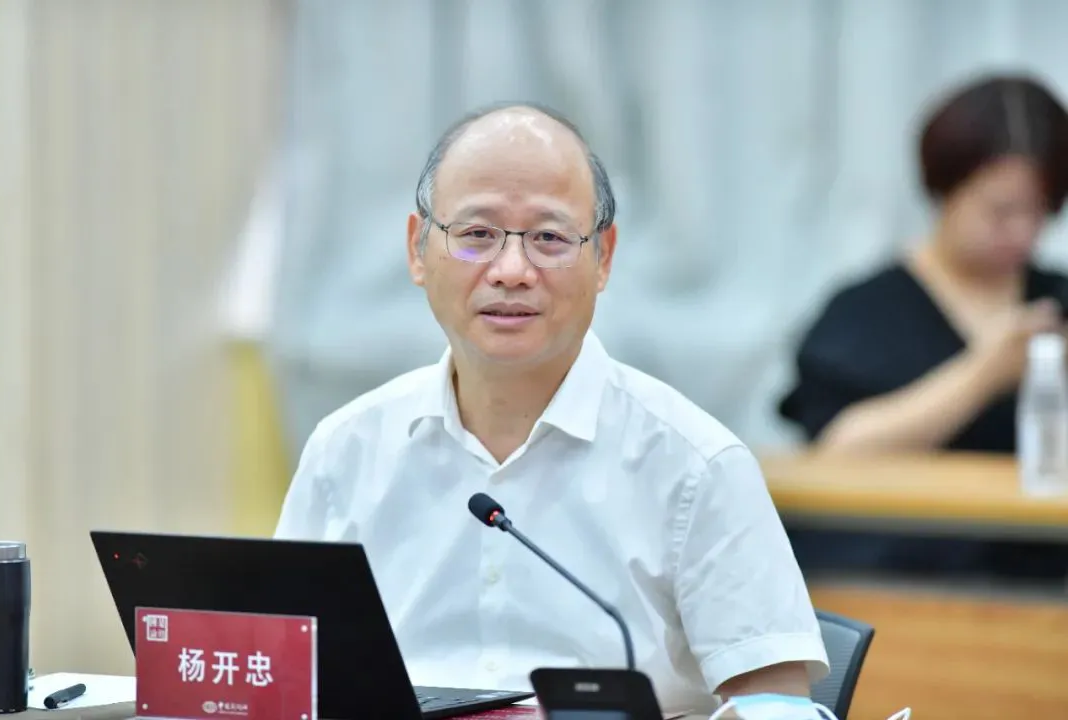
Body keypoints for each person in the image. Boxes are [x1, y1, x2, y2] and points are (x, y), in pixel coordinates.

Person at [275, 102, 828, 713]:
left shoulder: (697, 465)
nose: (512, 271)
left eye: (549, 238)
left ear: (604, 257)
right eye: (477, 235)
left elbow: (775, 704)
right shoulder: (345, 450)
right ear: (417, 249)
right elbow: (279, 674)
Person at [778, 74, 1068, 579]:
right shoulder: (864, 313)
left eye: (1038, 212)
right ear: (944, 189)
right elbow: (834, 453)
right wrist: (984, 373)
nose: (1022, 232)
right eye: (1000, 211)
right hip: (904, 584)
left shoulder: (1055, 300)